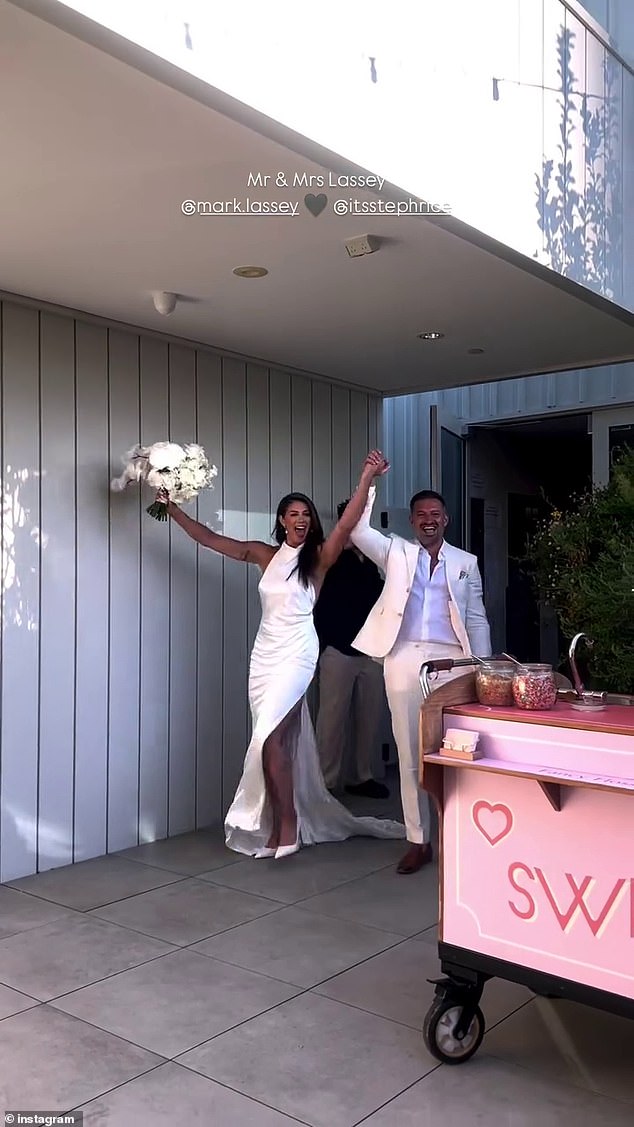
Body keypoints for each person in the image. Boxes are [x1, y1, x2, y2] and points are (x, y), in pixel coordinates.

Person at [159, 451, 405, 860]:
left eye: (305, 512)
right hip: (265, 657)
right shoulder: (263, 554)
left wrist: (366, 478)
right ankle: (278, 822)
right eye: (293, 513)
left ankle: (287, 825)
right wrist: (172, 508)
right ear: (281, 521)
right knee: (272, 741)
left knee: (271, 739)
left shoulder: (321, 558)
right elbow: (208, 538)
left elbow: (347, 523)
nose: (300, 518)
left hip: (297, 654)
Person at [350, 485, 491, 874]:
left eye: (436, 514)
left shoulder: (466, 561)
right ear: (412, 521)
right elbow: (358, 531)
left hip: (455, 660)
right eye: (421, 515)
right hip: (404, 655)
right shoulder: (396, 551)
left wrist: (481, 666)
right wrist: (370, 483)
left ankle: (458, 835)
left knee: (454, 750)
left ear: (446, 519)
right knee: (410, 751)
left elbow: (476, 617)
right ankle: (418, 840)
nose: (429, 520)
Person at [314, 499, 389, 798]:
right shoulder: (328, 553)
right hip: (338, 648)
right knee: (331, 720)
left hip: (371, 650)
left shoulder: (374, 556)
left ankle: (362, 776)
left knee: (369, 718)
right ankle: (325, 782)